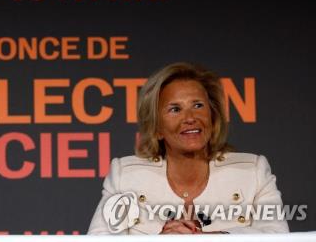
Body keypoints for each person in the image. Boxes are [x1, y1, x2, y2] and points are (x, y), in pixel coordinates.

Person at [88, 62, 289, 234]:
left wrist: (214, 237)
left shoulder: (252, 172)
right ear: (157, 128)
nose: (190, 118)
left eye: (198, 105)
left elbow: (278, 235)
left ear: (213, 116)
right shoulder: (126, 177)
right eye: (175, 109)